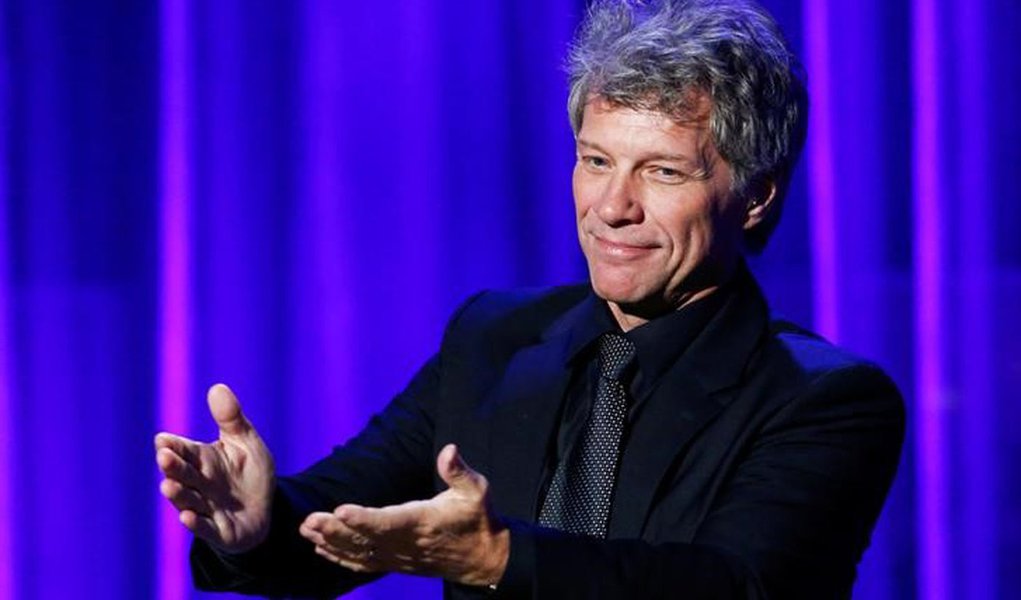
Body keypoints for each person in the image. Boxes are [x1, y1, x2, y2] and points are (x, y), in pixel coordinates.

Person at [155, 0, 905, 597]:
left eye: (663, 173)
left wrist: (499, 559)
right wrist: (254, 528)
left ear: (752, 196)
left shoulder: (827, 401)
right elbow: (351, 521)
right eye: (595, 160)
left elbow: (737, 585)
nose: (612, 206)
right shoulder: (494, 338)